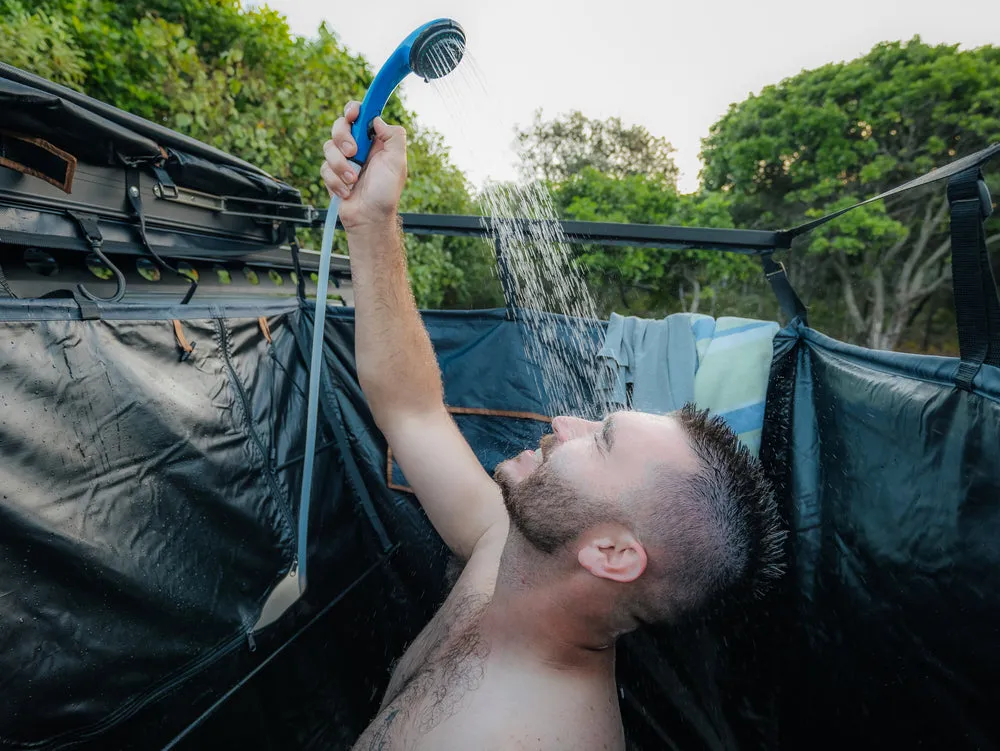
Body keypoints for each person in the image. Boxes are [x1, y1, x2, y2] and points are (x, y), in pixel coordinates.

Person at [321, 102, 785, 751]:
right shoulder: (501, 551)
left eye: (601, 440)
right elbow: (412, 410)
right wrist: (372, 219)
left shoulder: (540, 735)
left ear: (613, 553)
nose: (563, 421)